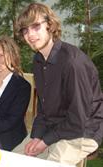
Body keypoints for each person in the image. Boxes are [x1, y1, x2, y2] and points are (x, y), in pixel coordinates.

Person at [13, 2, 103, 166]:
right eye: (25, 30)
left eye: (35, 26)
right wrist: (37, 135)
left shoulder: (73, 62)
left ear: (50, 25)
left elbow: (78, 120)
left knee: (52, 163)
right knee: (13, 160)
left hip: (84, 130)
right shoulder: (38, 60)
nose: (30, 35)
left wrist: (45, 141)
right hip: (54, 125)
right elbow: (43, 107)